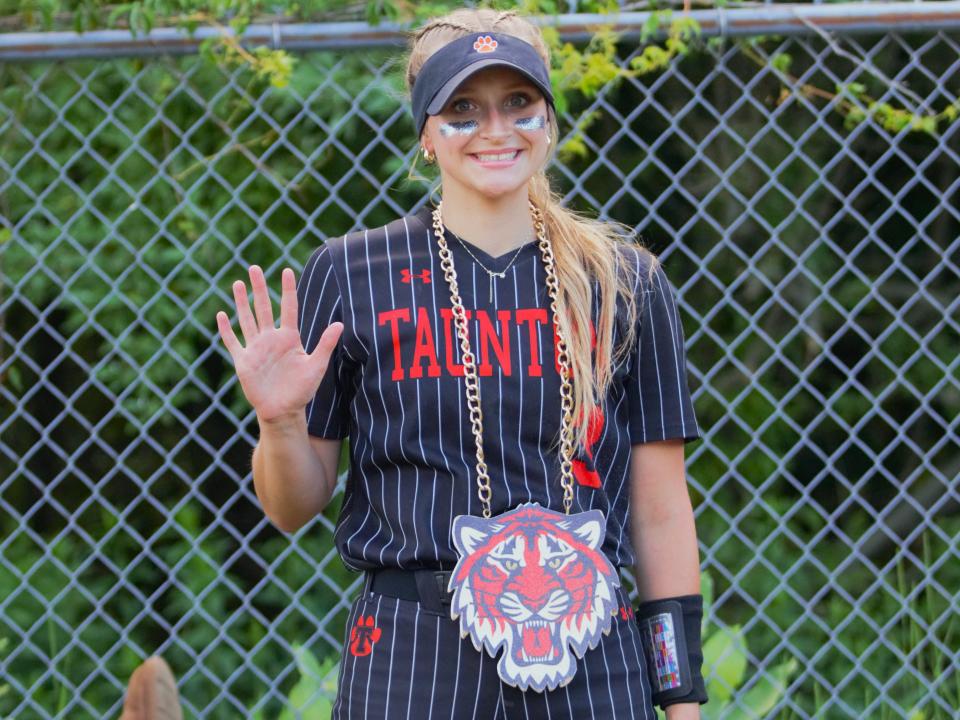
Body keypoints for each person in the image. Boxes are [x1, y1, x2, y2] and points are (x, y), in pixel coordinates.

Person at [217, 7, 708, 719]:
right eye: (463, 110)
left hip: (590, 646)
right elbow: (291, 508)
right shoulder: (353, 272)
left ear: (549, 119)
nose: (496, 129)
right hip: (413, 655)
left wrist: (683, 700)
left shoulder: (621, 283)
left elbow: (660, 514)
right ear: (425, 133)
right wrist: (282, 422)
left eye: (519, 103)